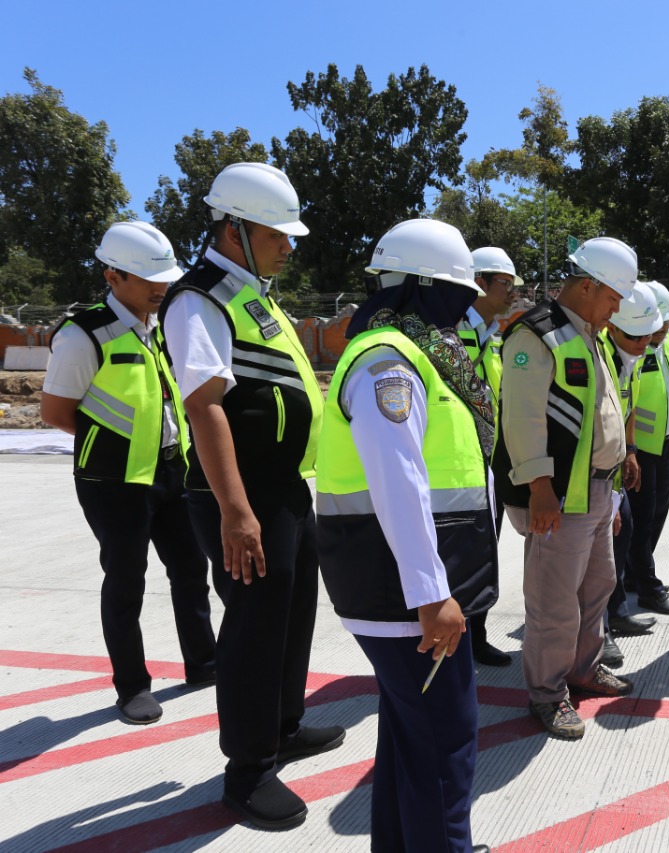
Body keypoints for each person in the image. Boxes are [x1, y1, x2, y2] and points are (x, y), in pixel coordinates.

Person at [159, 162, 343, 829]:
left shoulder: (251, 294)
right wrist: (235, 509)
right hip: (241, 496)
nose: (289, 246)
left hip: (283, 489)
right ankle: (247, 768)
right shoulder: (198, 298)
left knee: (293, 612)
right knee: (254, 626)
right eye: (276, 235)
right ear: (232, 229)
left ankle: (283, 724)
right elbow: (206, 408)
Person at [315, 219, 497, 853]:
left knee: (410, 741)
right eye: (456, 292)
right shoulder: (389, 362)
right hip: (404, 598)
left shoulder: (412, 352)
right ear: (420, 289)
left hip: (407, 590)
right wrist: (431, 595)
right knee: (446, 748)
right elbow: (399, 483)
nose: (465, 307)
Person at [41, 222, 216, 725]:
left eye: (163, 278)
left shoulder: (159, 325)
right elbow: (56, 412)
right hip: (112, 480)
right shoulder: (84, 335)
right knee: (126, 580)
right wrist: (114, 445)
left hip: (170, 469)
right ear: (112, 276)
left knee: (190, 570)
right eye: (147, 279)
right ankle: (132, 686)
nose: (160, 288)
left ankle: (203, 663)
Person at [491, 236, 640, 740]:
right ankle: (549, 693)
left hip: (597, 492)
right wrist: (540, 491)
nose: (617, 308)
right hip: (560, 496)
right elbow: (524, 419)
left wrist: (614, 483)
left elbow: (599, 414)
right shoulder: (536, 335)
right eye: (613, 297)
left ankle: (582, 668)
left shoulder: (587, 332)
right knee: (554, 602)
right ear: (587, 286)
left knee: (597, 589)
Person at [457, 246, 521, 666]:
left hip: (490, 464)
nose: (513, 292)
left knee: (485, 553)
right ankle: (457, 640)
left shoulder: (493, 335)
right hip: (458, 467)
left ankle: (474, 635)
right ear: (478, 282)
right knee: (458, 556)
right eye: (506, 284)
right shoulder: (449, 332)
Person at [600, 282, 663, 656]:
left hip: (617, 460)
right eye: (634, 336)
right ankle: (600, 628)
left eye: (647, 335)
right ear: (612, 327)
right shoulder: (599, 355)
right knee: (603, 545)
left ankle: (617, 611)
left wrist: (632, 451)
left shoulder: (632, 359)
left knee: (623, 535)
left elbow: (629, 406)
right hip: (594, 468)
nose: (642, 343)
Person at [627, 281, 669, 616]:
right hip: (641, 449)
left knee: (658, 513)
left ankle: (633, 575)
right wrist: (630, 451)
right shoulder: (631, 351)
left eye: (668, 321)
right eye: (660, 323)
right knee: (640, 518)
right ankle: (649, 589)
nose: (666, 328)